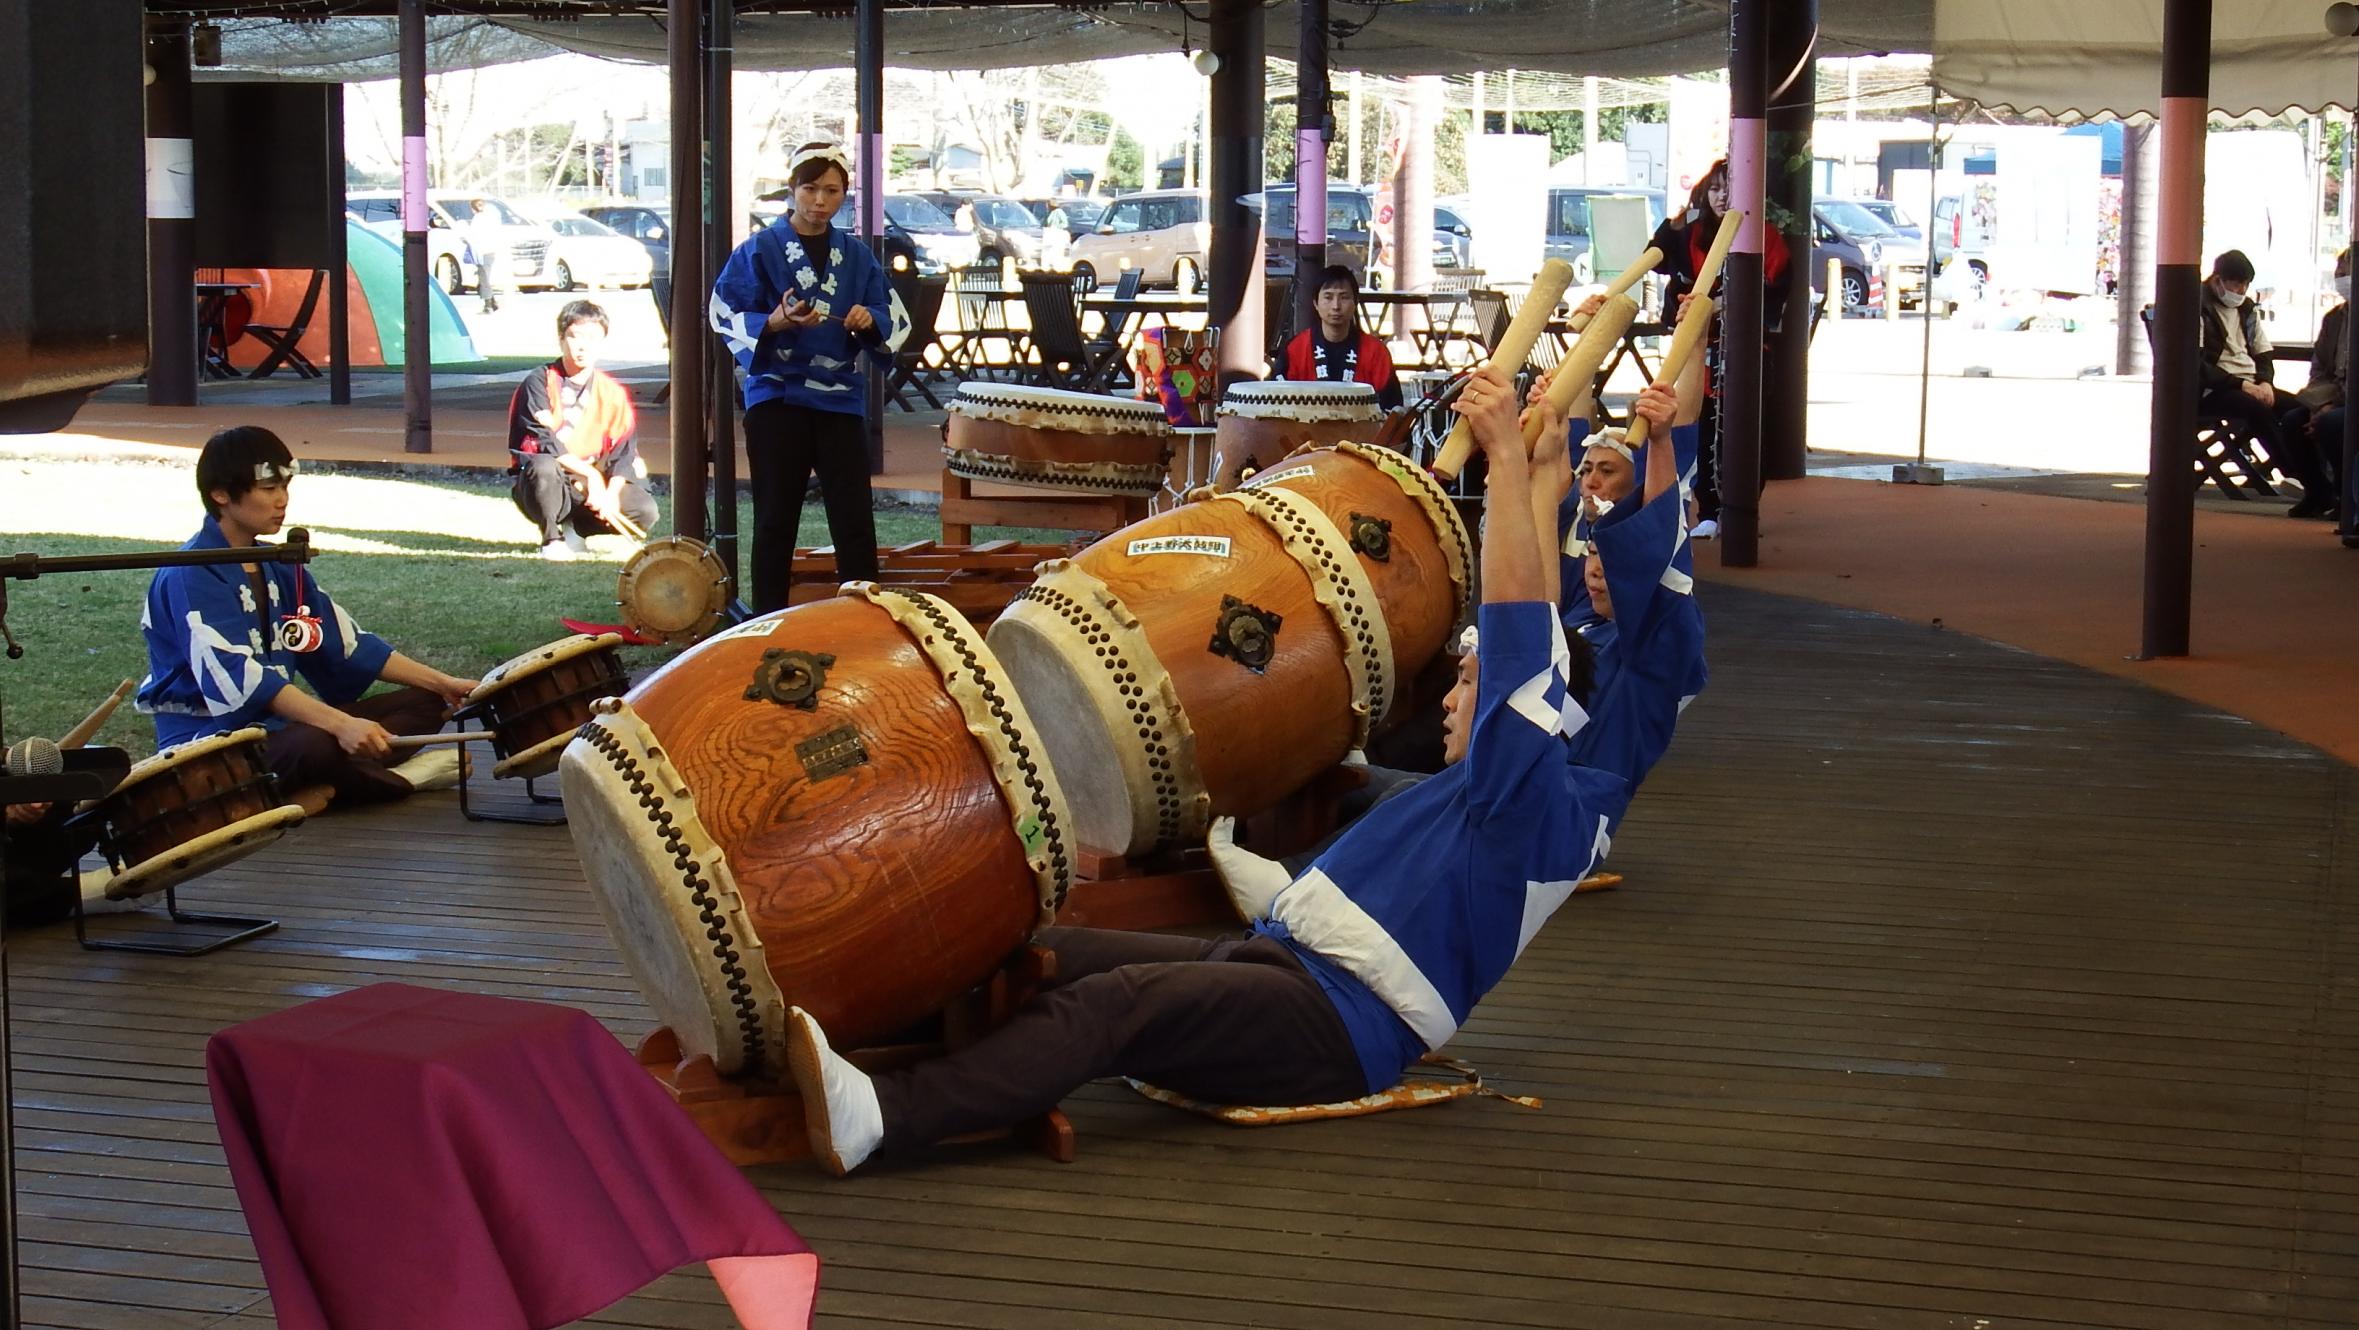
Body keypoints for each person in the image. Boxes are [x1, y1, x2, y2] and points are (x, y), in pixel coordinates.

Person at [782, 364, 1636, 1177]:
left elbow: (1523, 625)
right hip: (1281, 962)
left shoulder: (1522, 798)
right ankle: (837, 1040)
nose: (1453, 697)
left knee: (1112, 1003)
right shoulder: (1499, 792)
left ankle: (886, 1117)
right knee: (1041, 947)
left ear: (1532, 719)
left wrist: (1499, 458)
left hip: (1334, 1025)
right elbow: (1541, 615)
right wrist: (1542, 468)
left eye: (1470, 684)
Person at [134, 427, 479, 814]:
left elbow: (347, 646)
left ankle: (303, 791)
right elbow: (239, 678)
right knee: (315, 743)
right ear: (221, 494)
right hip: (211, 745)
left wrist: (445, 684)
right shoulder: (190, 573)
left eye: (285, 486)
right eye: (268, 489)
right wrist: (340, 725)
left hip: (282, 730)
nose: (282, 500)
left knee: (422, 702)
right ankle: (404, 779)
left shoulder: (278, 565)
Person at [710, 142, 894, 612]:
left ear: (843, 196)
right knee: (775, 517)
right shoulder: (758, 250)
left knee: (853, 517)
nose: (819, 201)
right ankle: (767, 617)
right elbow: (722, 312)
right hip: (778, 396)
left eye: (831, 191)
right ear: (791, 190)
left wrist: (867, 320)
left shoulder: (856, 255)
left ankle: (865, 618)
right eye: (809, 188)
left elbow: (890, 315)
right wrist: (773, 322)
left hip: (840, 399)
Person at [1645, 158, 1792, 540]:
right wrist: (1679, 216)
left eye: (1730, 187)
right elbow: (1656, 254)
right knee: (1700, 422)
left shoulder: (1764, 235)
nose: (1722, 196)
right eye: (1715, 187)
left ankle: (1742, 506)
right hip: (1698, 350)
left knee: (1744, 427)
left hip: (1744, 348)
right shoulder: (1690, 233)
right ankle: (1707, 508)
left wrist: (1727, 303)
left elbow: (1778, 288)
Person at [507, 300, 660, 561]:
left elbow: (623, 451)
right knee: (543, 467)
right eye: (574, 336)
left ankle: (577, 529)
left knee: (644, 510)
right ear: (561, 339)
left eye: (591, 338)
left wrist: (610, 493)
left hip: (591, 486)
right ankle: (552, 537)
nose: (582, 346)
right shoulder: (538, 381)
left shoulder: (611, 392)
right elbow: (544, 441)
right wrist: (590, 475)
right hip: (551, 478)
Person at [2200, 249, 2332, 519]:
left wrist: (2265, 382)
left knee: (2299, 409)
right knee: (2256, 409)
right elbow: (2195, 364)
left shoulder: (2247, 308)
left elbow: (2263, 352)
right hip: (2213, 389)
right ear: (2217, 280)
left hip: (2251, 383)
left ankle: (2319, 482)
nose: (2241, 289)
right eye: (2236, 283)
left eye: (2246, 284)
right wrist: (2241, 385)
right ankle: (2295, 474)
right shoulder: (2196, 306)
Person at [1276, 265, 1405, 411]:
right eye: (1328, 297)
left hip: (1363, 432)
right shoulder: (1295, 349)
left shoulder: (1376, 352)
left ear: (1355, 302)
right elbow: (1278, 402)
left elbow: (1392, 410)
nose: (1336, 306)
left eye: (1344, 297)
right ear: (1315, 303)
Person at [2298, 247, 2349, 527]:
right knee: (2293, 419)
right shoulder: (2334, 318)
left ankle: (2345, 498)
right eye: (2338, 273)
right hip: (2330, 394)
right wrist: (2317, 404)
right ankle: (2318, 493)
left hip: (2348, 401)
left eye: (2347, 274)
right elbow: (2319, 368)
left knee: (2333, 423)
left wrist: (2330, 406)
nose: (2341, 280)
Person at [467, 198, 506, 315]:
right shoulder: (492, 218)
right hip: (491, 251)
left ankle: (488, 306)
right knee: (485, 277)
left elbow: (472, 237)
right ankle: (493, 303)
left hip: (481, 252)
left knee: (484, 279)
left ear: (473, 208)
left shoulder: (477, 219)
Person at [1042, 199, 1072, 270]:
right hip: (1049, 234)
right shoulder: (1049, 213)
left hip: (1057, 234)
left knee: (1056, 251)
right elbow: (1045, 223)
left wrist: (1056, 227)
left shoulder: (1059, 212)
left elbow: (1065, 223)